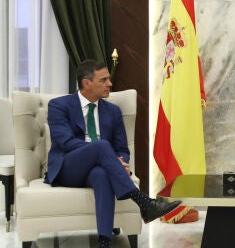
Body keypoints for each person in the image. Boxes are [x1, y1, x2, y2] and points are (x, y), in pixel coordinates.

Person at [45, 59, 181, 248]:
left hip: (100, 167)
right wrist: (104, 155)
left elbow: (122, 149)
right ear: (87, 83)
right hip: (68, 168)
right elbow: (66, 142)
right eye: (104, 80)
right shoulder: (59, 106)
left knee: (102, 175)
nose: (110, 84)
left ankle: (104, 241)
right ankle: (143, 202)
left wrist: (120, 162)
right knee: (101, 146)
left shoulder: (113, 111)